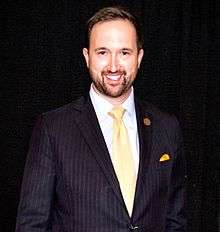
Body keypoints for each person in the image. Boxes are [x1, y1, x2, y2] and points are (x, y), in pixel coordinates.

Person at [15, 6, 186, 232]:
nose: (113, 66)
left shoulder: (167, 126)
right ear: (87, 57)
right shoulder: (53, 128)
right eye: (102, 52)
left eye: (124, 52)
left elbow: (175, 219)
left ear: (139, 57)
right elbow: (32, 224)